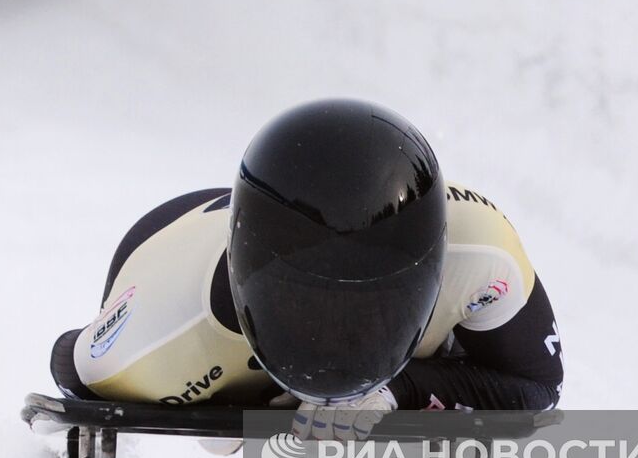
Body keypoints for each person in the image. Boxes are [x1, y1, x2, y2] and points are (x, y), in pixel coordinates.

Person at [49, 99, 562, 440]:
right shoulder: (161, 336)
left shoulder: (482, 251)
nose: (339, 340)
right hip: (175, 244)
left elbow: (539, 388)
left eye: (374, 300)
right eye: (308, 299)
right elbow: (74, 365)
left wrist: (401, 388)